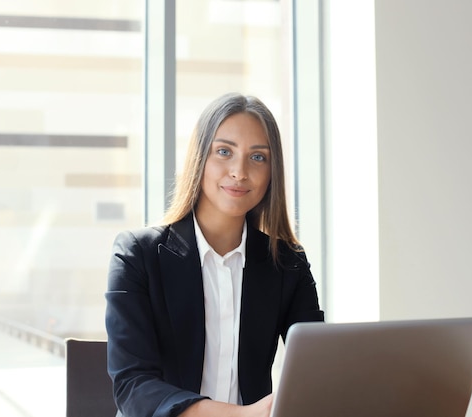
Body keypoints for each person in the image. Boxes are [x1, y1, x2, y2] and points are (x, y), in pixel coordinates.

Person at [105, 92, 324, 417]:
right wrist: (245, 415)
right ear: (200, 158)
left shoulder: (287, 262)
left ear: (272, 172)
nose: (239, 171)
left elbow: (316, 368)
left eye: (258, 157)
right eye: (224, 151)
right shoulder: (138, 255)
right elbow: (133, 387)